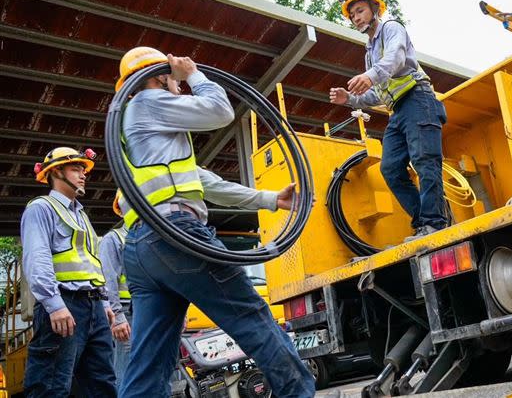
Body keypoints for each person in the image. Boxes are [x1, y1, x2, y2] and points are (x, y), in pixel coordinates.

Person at [113, 47, 315, 398]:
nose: (178, 84)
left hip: (143, 249)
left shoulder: (145, 131)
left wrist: (270, 200)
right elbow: (220, 110)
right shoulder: (149, 103)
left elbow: (209, 184)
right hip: (177, 235)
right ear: (161, 75)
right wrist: (192, 74)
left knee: (149, 360)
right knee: (252, 318)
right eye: (171, 77)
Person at [329, 0, 448, 242]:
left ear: (375, 9)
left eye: (360, 11)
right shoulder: (369, 52)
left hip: (418, 99)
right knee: (391, 168)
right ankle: (424, 222)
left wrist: (370, 75)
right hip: (398, 110)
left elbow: (395, 58)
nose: (356, 18)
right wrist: (349, 99)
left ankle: (434, 223)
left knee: (425, 160)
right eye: (352, 16)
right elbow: (378, 94)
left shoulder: (392, 28)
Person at [20, 147, 117, 397]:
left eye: (84, 170)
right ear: (56, 172)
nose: (83, 174)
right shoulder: (41, 209)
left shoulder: (81, 215)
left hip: (94, 307)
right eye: (76, 169)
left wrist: (104, 301)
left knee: (102, 385)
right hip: (65, 305)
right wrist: (54, 305)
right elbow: (37, 258)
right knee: (51, 385)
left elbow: (91, 262)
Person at [99, 192, 131, 391]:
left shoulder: (152, 237)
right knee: (128, 370)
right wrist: (117, 316)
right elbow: (107, 281)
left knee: (160, 369)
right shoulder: (114, 239)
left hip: (153, 311)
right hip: (128, 313)